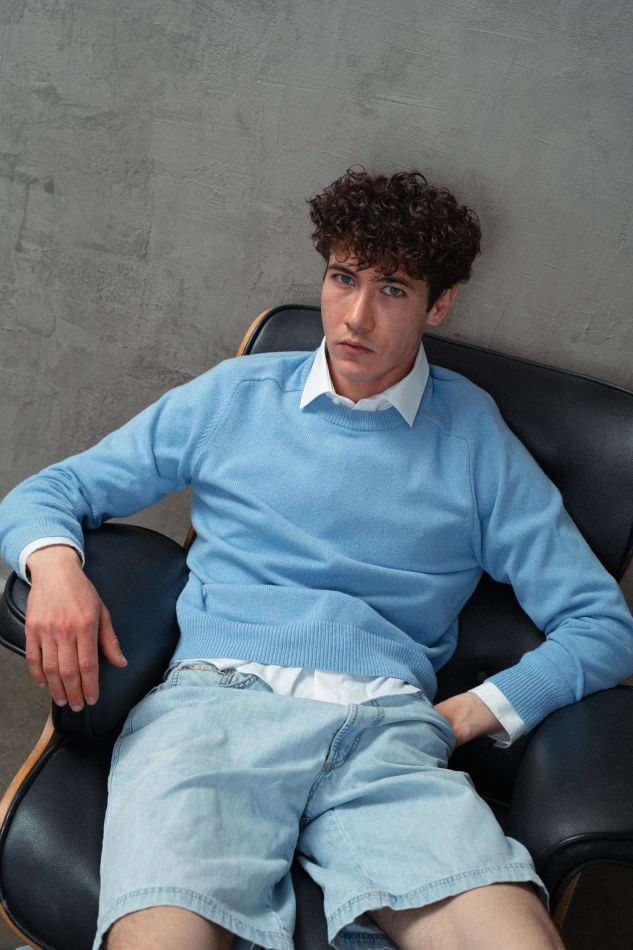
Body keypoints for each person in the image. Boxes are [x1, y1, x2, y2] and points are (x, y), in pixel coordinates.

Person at [1, 168, 632, 950]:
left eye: (392, 289)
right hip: (213, 715)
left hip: (385, 738)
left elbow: (600, 625)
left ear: (439, 304)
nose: (355, 316)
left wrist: (469, 713)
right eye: (342, 278)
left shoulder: (473, 440)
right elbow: (52, 490)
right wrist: (57, 572)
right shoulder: (235, 396)